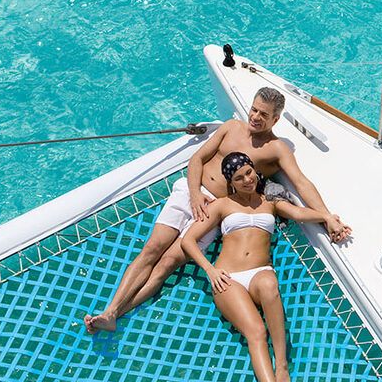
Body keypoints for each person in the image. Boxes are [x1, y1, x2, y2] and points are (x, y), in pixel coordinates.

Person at [84, 87, 350, 333]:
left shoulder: (276, 149)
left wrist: (327, 217)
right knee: (152, 249)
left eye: (264, 115)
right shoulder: (231, 127)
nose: (256, 117)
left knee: (167, 263)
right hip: (191, 193)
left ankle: (114, 315)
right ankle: (111, 308)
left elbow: (302, 182)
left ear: (276, 119)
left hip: (215, 211)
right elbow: (197, 159)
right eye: (254, 110)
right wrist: (196, 193)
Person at [182, 151, 325, 382]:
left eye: (249, 172)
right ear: (231, 182)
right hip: (229, 277)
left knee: (270, 283)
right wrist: (210, 270)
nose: (247, 179)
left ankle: (281, 364)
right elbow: (188, 241)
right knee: (256, 332)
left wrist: (327, 217)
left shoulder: (270, 203)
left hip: (260, 272)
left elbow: (298, 213)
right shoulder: (221, 205)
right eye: (239, 177)